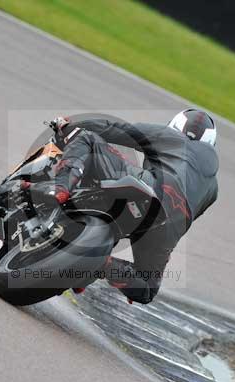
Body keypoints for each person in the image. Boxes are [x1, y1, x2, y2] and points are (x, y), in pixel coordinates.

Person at [43, 109, 219, 304]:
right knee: (147, 287)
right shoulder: (212, 188)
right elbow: (188, 217)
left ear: (175, 125)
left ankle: (60, 187)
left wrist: (69, 125)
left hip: (154, 188)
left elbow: (118, 129)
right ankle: (102, 265)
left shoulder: (169, 135)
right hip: (167, 227)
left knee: (87, 138)